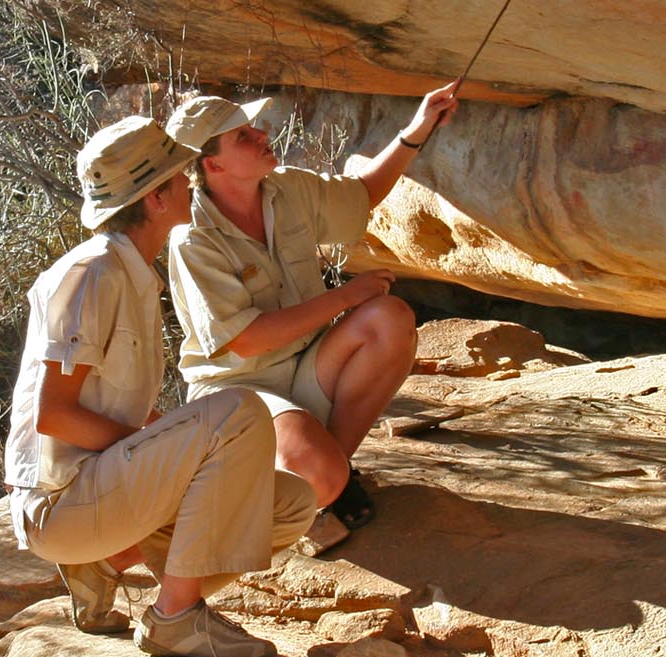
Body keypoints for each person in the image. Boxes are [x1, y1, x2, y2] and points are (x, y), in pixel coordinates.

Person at [4, 116, 319, 657]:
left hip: (105, 490)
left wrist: (168, 444)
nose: (191, 183)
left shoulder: (131, 272)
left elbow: (113, 399)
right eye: (181, 176)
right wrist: (162, 443)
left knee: (291, 505)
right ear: (156, 198)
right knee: (237, 410)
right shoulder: (92, 273)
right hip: (62, 504)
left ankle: (104, 565)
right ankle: (175, 618)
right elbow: (53, 416)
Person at [165, 83, 459, 543]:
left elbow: (362, 196)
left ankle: (330, 485)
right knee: (314, 473)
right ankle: (302, 490)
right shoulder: (192, 238)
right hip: (238, 390)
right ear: (213, 164)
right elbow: (247, 340)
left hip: (308, 363)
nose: (262, 134)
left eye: (252, 127)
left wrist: (417, 130)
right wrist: (346, 296)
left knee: (389, 319)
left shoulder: (285, 189)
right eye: (243, 136)